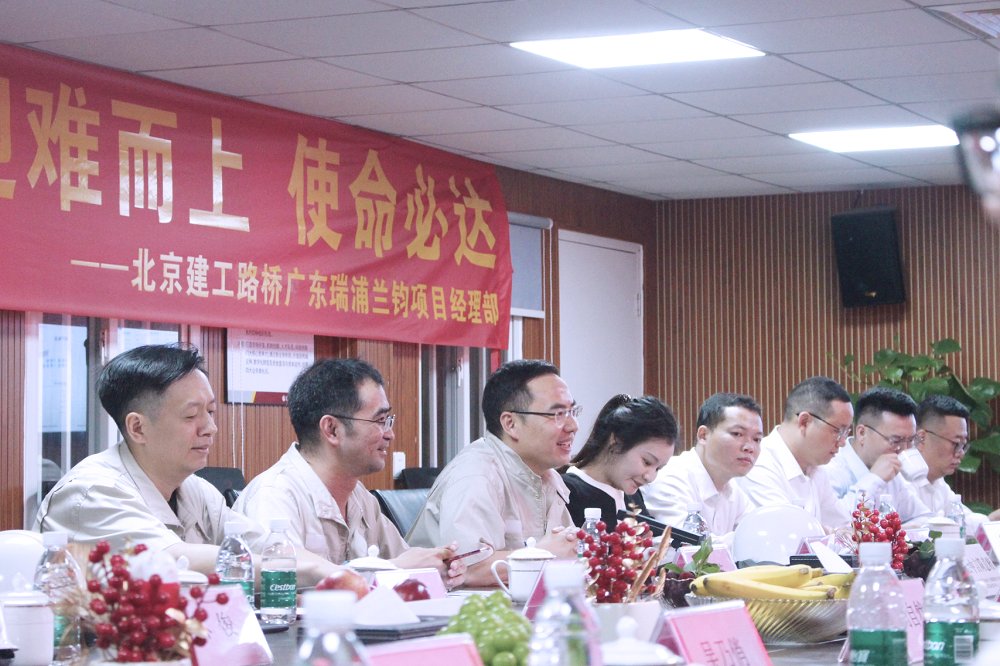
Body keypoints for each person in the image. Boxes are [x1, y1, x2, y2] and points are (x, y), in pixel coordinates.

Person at [34, 344, 341, 585]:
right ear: (138, 428)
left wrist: (336, 573)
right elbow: (170, 563)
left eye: (210, 412)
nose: (210, 428)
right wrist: (312, 572)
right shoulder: (92, 492)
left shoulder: (195, 490)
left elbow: (264, 545)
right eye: (191, 415)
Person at [235, 358, 465, 588]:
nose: (390, 434)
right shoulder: (274, 496)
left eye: (388, 420)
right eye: (380, 420)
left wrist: (436, 568)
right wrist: (397, 568)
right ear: (332, 429)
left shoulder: (360, 497)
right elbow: (281, 590)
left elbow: (404, 564)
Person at [406, 359, 579, 586]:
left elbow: (566, 552)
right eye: (557, 414)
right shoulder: (477, 474)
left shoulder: (547, 476)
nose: (573, 425)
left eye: (572, 411)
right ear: (511, 424)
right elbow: (469, 569)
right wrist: (544, 554)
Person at [645, 393, 762, 545]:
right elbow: (690, 548)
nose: (750, 447)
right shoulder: (670, 480)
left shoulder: (733, 490)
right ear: (703, 435)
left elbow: (759, 536)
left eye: (757, 439)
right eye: (737, 434)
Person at [740, 377, 853, 531]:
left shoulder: (816, 468)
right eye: (838, 431)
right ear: (804, 422)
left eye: (846, 433)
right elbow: (789, 534)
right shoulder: (759, 464)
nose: (843, 442)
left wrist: (831, 532)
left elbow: (844, 528)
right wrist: (827, 532)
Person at [561, 394, 678, 529]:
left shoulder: (631, 493)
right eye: (647, 462)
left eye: (658, 469)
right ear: (617, 441)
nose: (650, 477)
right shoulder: (567, 492)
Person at [825, 387, 932, 523]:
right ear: (862, 433)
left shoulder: (894, 475)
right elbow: (836, 523)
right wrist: (874, 479)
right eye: (896, 441)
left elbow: (924, 518)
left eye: (910, 440)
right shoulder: (830, 470)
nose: (904, 450)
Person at [913, 394, 1000, 529]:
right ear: (922, 438)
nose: (961, 453)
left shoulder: (938, 483)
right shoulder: (899, 480)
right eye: (956, 443)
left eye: (963, 445)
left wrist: (993, 519)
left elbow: (965, 523)